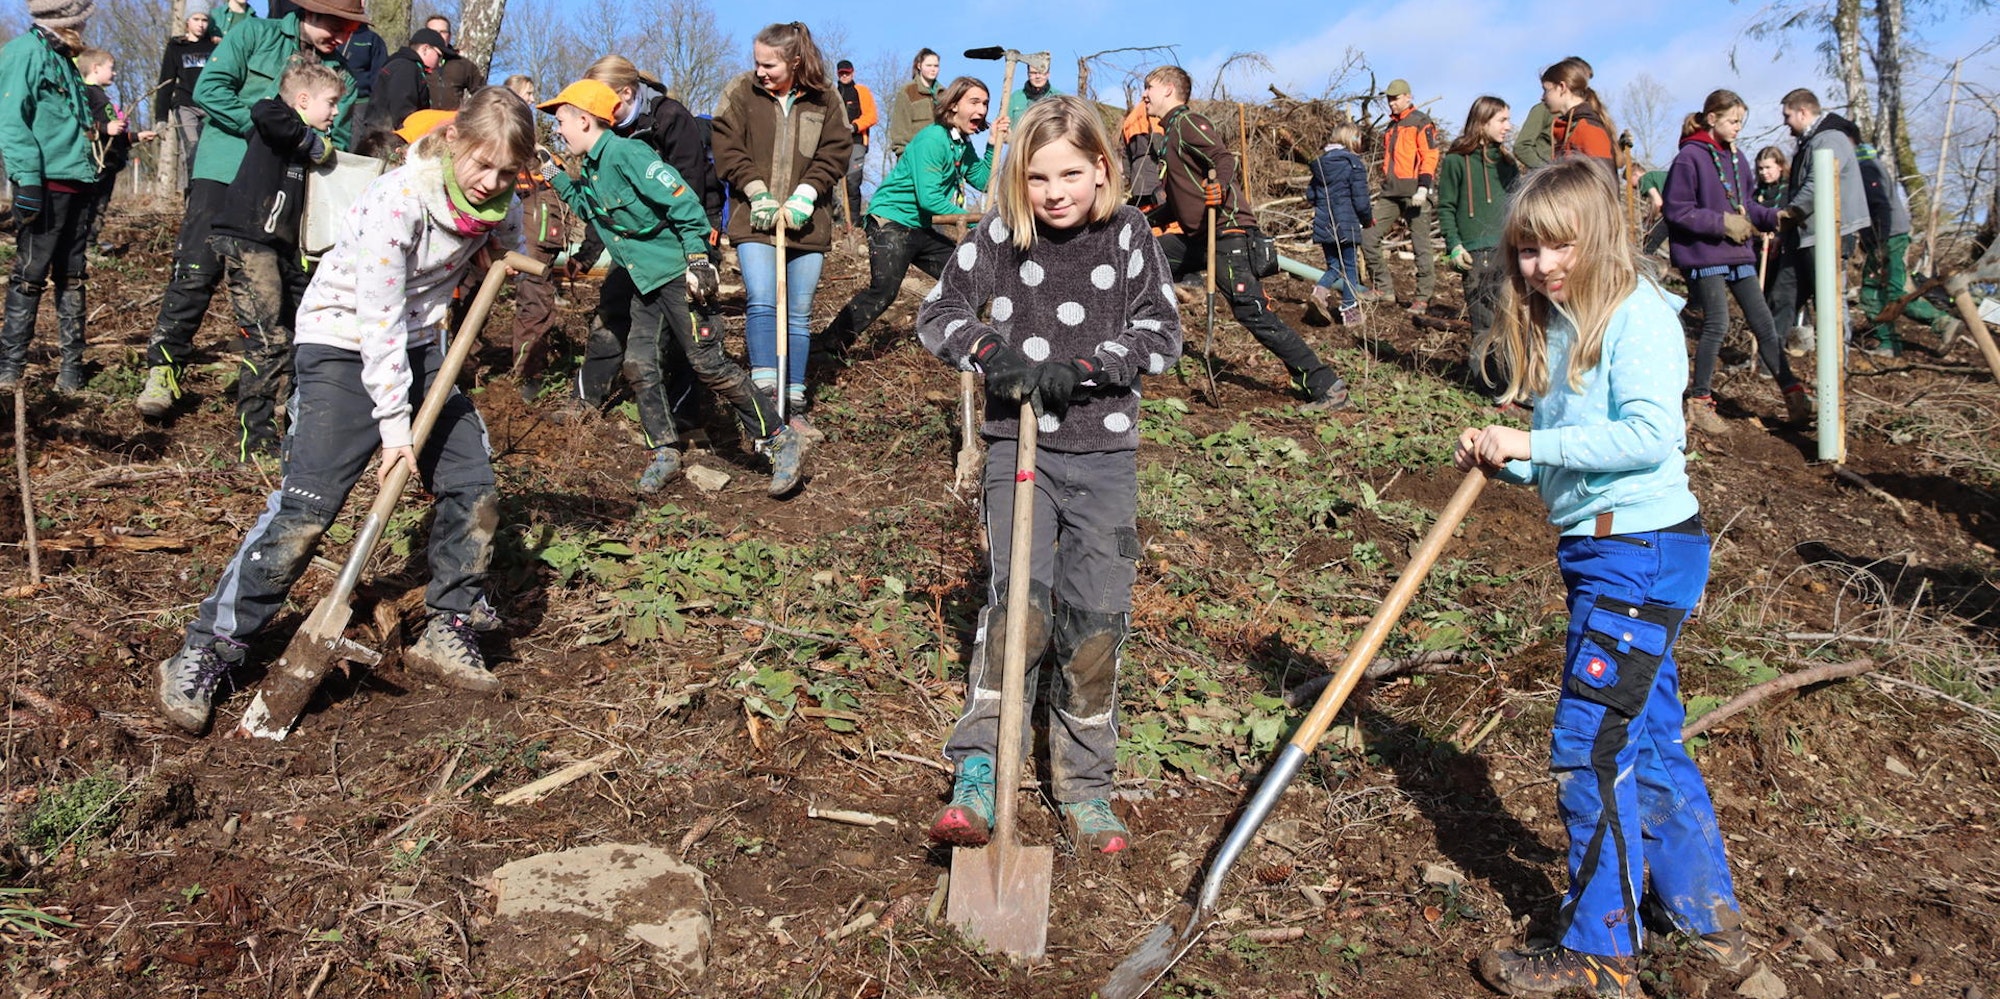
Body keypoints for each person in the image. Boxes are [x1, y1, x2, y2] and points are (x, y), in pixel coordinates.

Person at [152, 88, 534, 735]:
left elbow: (514, 246)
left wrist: (504, 254)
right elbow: (377, 321)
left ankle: (449, 625)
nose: (492, 182)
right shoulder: (398, 201)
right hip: (343, 342)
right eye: (483, 164)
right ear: (454, 141)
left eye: (506, 172)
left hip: (422, 348)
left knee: (474, 487)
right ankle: (207, 648)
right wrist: (395, 430)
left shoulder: (501, 201)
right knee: (307, 511)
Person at [1460, 157, 1747, 998]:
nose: (1542, 265)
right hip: (1611, 548)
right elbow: (1584, 455)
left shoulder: (1636, 314)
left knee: (1590, 744)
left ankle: (1600, 950)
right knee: (1645, 734)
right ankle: (1703, 918)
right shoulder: (1565, 321)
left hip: (1639, 552)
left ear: (1599, 239)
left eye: (1560, 246)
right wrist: (1512, 457)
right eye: (1527, 250)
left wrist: (1532, 441)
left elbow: (1650, 437)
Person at [917, 94, 1181, 857]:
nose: (1054, 192)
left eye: (1069, 174)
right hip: (1018, 447)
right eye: (1037, 177)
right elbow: (938, 312)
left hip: (1103, 455)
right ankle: (980, 765)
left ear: (1101, 167)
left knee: (1095, 620)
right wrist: (992, 354)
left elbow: (1162, 332)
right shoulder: (1003, 234)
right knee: (1018, 611)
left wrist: (1090, 366)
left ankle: (1084, 782)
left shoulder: (1127, 233)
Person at [539, 79, 806, 497]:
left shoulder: (628, 154)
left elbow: (683, 202)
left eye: (561, 122)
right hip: (644, 281)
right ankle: (664, 451)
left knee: (708, 364)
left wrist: (698, 259)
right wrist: (553, 175)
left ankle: (779, 438)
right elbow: (592, 210)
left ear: (585, 120)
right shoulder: (593, 167)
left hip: (678, 273)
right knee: (638, 364)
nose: (558, 131)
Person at [135, 0, 366, 420]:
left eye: (350, 30)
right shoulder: (254, 35)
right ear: (312, 13)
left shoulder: (341, 75)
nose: (342, 36)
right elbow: (209, 88)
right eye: (337, 26)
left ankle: (281, 386)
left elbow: (340, 138)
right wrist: (266, 130)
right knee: (196, 270)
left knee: (286, 287)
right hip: (225, 169)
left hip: (287, 192)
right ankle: (164, 367)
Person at [1142, 64, 1348, 410]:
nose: (1144, 94)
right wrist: (1140, 219)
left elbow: (1223, 159)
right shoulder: (1169, 134)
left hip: (1226, 231)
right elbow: (1181, 203)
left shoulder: (1188, 122)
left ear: (1168, 89)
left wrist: (1219, 187)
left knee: (1252, 311)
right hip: (1197, 236)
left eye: (1149, 87)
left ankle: (1326, 384)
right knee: (1143, 260)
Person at [564, 54, 725, 440]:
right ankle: (585, 400)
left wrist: (695, 253)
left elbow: (689, 190)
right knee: (612, 309)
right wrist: (588, 254)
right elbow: (605, 204)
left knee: (686, 329)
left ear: (625, 93)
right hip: (636, 244)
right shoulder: (608, 134)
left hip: (683, 239)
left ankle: (685, 416)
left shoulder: (669, 118)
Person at [710, 21, 852, 425]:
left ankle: (794, 401)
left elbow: (836, 151)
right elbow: (726, 145)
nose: (760, 71)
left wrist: (806, 193)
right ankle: (765, 403)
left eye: (769, 65)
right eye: (757, 62)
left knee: (799, 311)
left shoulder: (826, 98)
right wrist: (756, 191)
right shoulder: (741, 91)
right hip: (754, 220)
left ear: (796, 61)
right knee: (762, 299)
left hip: (808, 224)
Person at [207, 62, 342, 461]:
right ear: (303, 99)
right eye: (331, 102)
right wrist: (310, 141)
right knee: (269, 342)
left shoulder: (304, 142)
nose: (336, 111)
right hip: (249, 241)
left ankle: (299, 432)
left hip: (286, 251)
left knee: (304, 336)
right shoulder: (275, 119)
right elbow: (265, 112)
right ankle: (255, 441)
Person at [818, 76, 1006, 361]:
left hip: (919, 226)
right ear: (953, 105)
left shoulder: (960, 143)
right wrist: (978, 223)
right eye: (975, 102)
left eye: (985, 103)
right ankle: (827, 346)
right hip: (891, 221)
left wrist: (992, 145)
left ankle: (962, 342)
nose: (982, 109)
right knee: (883, 292)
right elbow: (930, 199)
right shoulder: (933, 139)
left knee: (968, 276)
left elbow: (981, 180)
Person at [1662, 89, 1811, 433]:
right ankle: (1700, 401)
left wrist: (1774, 217)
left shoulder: (1737, 158)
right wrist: (1721, 223)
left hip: (1738, 252)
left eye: (1741, 122)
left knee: (1764, 325)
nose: (1738, 128)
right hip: (1704, 254)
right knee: (1718, 322)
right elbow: (1677, 210)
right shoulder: (1689, 158)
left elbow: (1747, 204)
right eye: (1732, 121)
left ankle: (1793, 395)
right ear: (1712, 118)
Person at [0, 0, 101, 395]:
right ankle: (10, 370)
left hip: (79, 181)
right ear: (64, 21)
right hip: (45, 185)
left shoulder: (64, 57)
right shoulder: (24, 53)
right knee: (29, 275)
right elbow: (11, 119)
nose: (85, 28)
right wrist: (26, 181)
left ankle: (71, 370)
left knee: (72, 275)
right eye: (81, 21)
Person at [1763, 88, 1868, 362]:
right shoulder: (1812, 141)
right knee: (1782, 296)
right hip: (1805, 235)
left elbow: (1817, 185)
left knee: (1830, 302)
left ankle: (1838, 365)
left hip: (1828, 235)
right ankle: (1769, 365)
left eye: (1787, 115)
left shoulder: (1830, 139)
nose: (1785, 122)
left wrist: (1787, 215)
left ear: (1803, 112)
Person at [1435, 96, 1519, 393]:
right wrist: (1454, 245)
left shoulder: (1508, 164)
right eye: (1502, 120)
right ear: (1482, 123)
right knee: (1484, 324)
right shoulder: (1456, 160)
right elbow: (1446, 206)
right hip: (1475, 254)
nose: (1508, 126)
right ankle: (1486, 387)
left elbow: (1518, 207)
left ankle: (1512, 384)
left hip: (1509, 251)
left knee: (1512, 321)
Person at [1854, 142, 1961, 355]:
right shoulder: (1870, 165)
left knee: (1876, 292)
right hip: (1889, 237)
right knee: (1890, 289)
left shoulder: (1865, 168)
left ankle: (1893, 341)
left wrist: (1879, 240)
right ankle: (1935, 325)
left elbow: (1880, 205)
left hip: (1888, 239)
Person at [501, 75, 566, 397]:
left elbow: (561, 182)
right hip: (526, 229)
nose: (531, 100)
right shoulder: (507, 145)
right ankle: (525, 374)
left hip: (541, 230)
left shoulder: (539, 153)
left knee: (538, 299)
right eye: (527, 94)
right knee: (534, 301)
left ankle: (528, 372)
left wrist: (546, 161)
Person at [1360, 78, 1441, 312]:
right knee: (1368, 236)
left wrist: (1423, 186)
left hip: (1416, 191)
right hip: (1391, 192)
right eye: (1389, 99)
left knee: (1420, 245)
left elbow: (1430, 156)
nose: (1391, 103)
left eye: (1395, 98)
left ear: (1408, 97)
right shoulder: (1391, 127)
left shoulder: (1421, 122)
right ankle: (1383, 289)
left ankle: (1423, 297)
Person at [78, 47, 157, 260]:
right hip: (96, 161)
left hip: (111, 161)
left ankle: (91, 243)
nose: (114, 73)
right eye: (111, 68)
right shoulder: (85, 94)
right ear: (95, 68)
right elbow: (81, 123)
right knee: (89, 205)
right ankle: (81, 248)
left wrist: (136, 136)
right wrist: (105, 128)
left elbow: (116, 135)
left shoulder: (103, 97)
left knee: (101, 205)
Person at [1303, 120, 1371, 326]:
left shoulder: (1321, 165)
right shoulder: (1354, 164)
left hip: (1324, 224)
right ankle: (1350, 312)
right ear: (1350, 139)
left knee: (1334, 266)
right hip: (1346, 224)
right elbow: (1361, 200)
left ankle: (1320, 291)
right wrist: (1367, 219)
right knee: (1349, 268)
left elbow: (1310, 195)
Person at [155, 11, 217, 194]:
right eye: (196, 19)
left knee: (210, 151)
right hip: (185, 105)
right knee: (192, 149)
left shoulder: (214, 46)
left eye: (204, 20)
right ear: (187, 21)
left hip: (210, 107)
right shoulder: (176, 47)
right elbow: (166, 81)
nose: (200, 24)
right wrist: (160, 118)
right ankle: (192, 196)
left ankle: (209, 196)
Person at [1540, 57, 1616, 168]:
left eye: (1546, 90)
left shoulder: (1589, 130)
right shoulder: (1569, 127)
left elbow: (1602, 177)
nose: (1542, 97)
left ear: (1562, 87)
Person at [369, 26, 442, 134]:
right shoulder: (406, 68)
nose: (439, 62)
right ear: (425, 49)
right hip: (386, 137)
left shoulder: (408, 66)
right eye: (438, 55)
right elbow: (403, 112)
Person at [834, 58, 877, 227]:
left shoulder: (862, 92)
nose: (845, 76)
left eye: (847, 73)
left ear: (853, 73)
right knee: (827, 182)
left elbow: (871, 116)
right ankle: (836, 219)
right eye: (842, 73)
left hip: (857, 142)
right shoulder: (832, 93)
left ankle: (854, 222)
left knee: (852, 181)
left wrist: (855, 126)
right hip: (835, 144)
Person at [421, 15, 484, 111]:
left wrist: (470, 115)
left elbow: (483, 94)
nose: (438, 36)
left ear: (449, 36)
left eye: (443, 32)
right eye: (433, 32)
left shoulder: (463, 64)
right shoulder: (415, 63)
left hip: (452, 119)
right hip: (421, 118)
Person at [887, 47, 939, 156]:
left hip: (940, 154)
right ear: (919, 66)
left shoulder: (944, 94)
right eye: (929, 65)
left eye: (936, 66)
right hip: (916, 154)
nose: (933, 69)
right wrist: (902, 154)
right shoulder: (907, 92)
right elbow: (899, 127)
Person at [336, 22, 387, 130]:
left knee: (356, 137)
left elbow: (378, 77)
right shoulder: (335, 35)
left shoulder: (372, 39)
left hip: (360, 103)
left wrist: (376, 105)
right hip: (333, 100)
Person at [1004, 53, 1060, 124]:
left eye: (1041, 72)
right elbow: (1002, 123)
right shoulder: (1014, 98)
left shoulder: (1059, 98)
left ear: (1048, 74)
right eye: (1033, 73)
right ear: (1028, 74)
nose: (1037, 76)